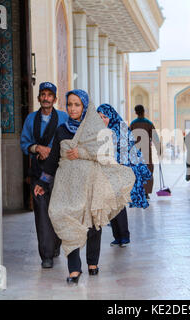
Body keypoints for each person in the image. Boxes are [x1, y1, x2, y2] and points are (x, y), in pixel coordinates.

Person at [34, 90, 135, 285]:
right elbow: (53, 158)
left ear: (85, 107)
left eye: (77, 105)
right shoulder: (61, 130)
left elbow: (106, 155)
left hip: (90, 182)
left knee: (91, 222)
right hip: (67, 185)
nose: (72, 109)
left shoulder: (97, 129)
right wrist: (43, 182)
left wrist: (82, 152)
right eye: (69, 104)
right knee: (63, 215)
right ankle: (74, 268)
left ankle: (92, 262)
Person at [20, 82, 68, 269]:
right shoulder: (31, 119)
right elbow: (24, 144)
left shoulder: (64, 118)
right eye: (43, 94)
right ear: (39, 97)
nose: (46, 98)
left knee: (58, 211)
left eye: (50, 95)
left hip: (60, 173)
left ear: (55, 99)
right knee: (41, 213)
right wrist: (37, 148)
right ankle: (46, 255)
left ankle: (55, 245)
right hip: (38, 173)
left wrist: (54, 151)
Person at [97, 104, 152, 248]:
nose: (102, 120)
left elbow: (125, 153)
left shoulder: (119, 130)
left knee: (118, 204)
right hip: (107, 173)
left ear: (111, 116)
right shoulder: (104, 131)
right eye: (100, 117)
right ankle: (118, 236)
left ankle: (124, 236)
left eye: (105, 117)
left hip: (119, 172)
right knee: (111, 205)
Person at [130, 105, 160, 198]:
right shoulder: (148, 123)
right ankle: (146, 192)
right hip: (146, 151)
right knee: (148, 170)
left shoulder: (133, 124)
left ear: (135, 112)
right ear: (144, 111)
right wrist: (159, 150)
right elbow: (155, 138)